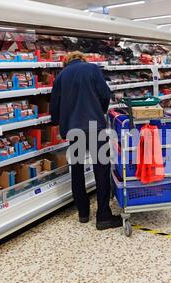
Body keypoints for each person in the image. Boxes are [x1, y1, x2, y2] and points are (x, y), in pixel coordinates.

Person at [50, 51, 122, 231]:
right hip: (94, 126)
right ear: (83, 59)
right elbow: (105, 95)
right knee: (101, 170)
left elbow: (54, 108)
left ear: (67, 62)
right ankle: (103, 216)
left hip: (74, 129)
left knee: (77, 169)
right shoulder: (92, 69)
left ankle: (83, 213)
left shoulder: (60, 76)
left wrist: (64, 120)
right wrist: (99, 111)